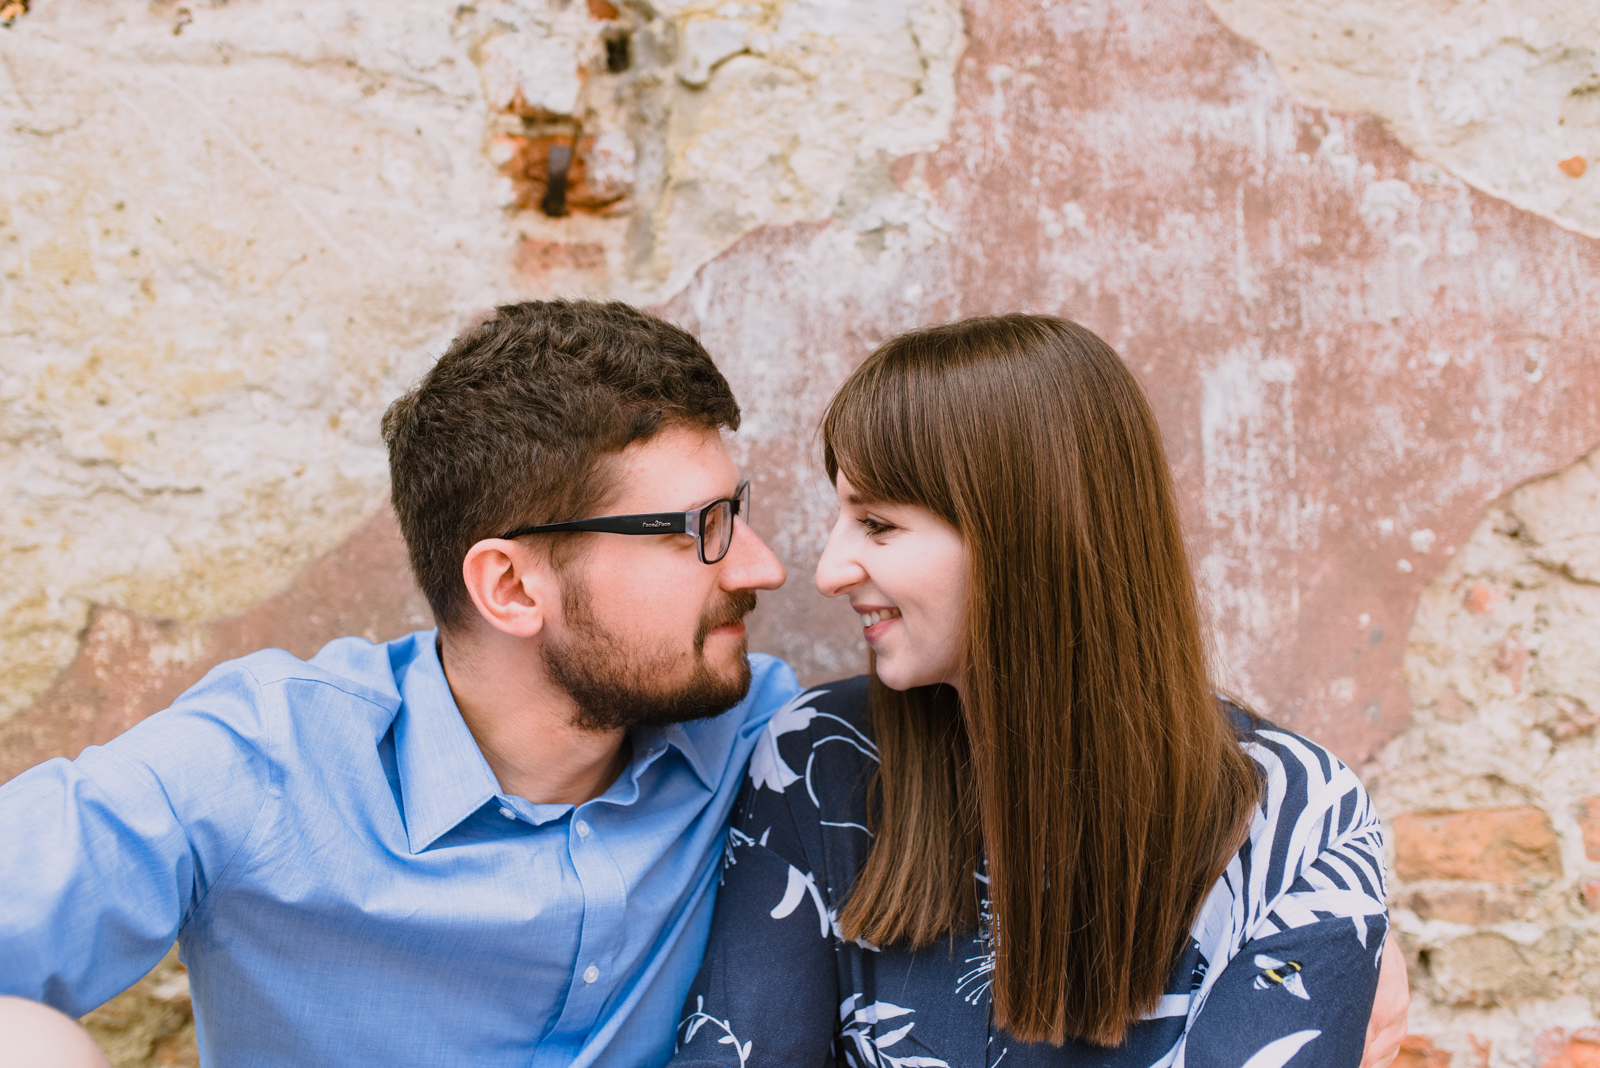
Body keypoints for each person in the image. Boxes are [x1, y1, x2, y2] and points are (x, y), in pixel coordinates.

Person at [0, 300, 798, 1067]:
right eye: (703, 530)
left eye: (738, 511)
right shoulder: (262, 764)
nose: (764, 566)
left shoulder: (762, 739)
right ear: (512, 589)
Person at [670, 314, 1402, 1068]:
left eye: (879, 525)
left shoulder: (1299, 825)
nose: (828, 571)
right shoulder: (817, 762)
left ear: (1025, 534)